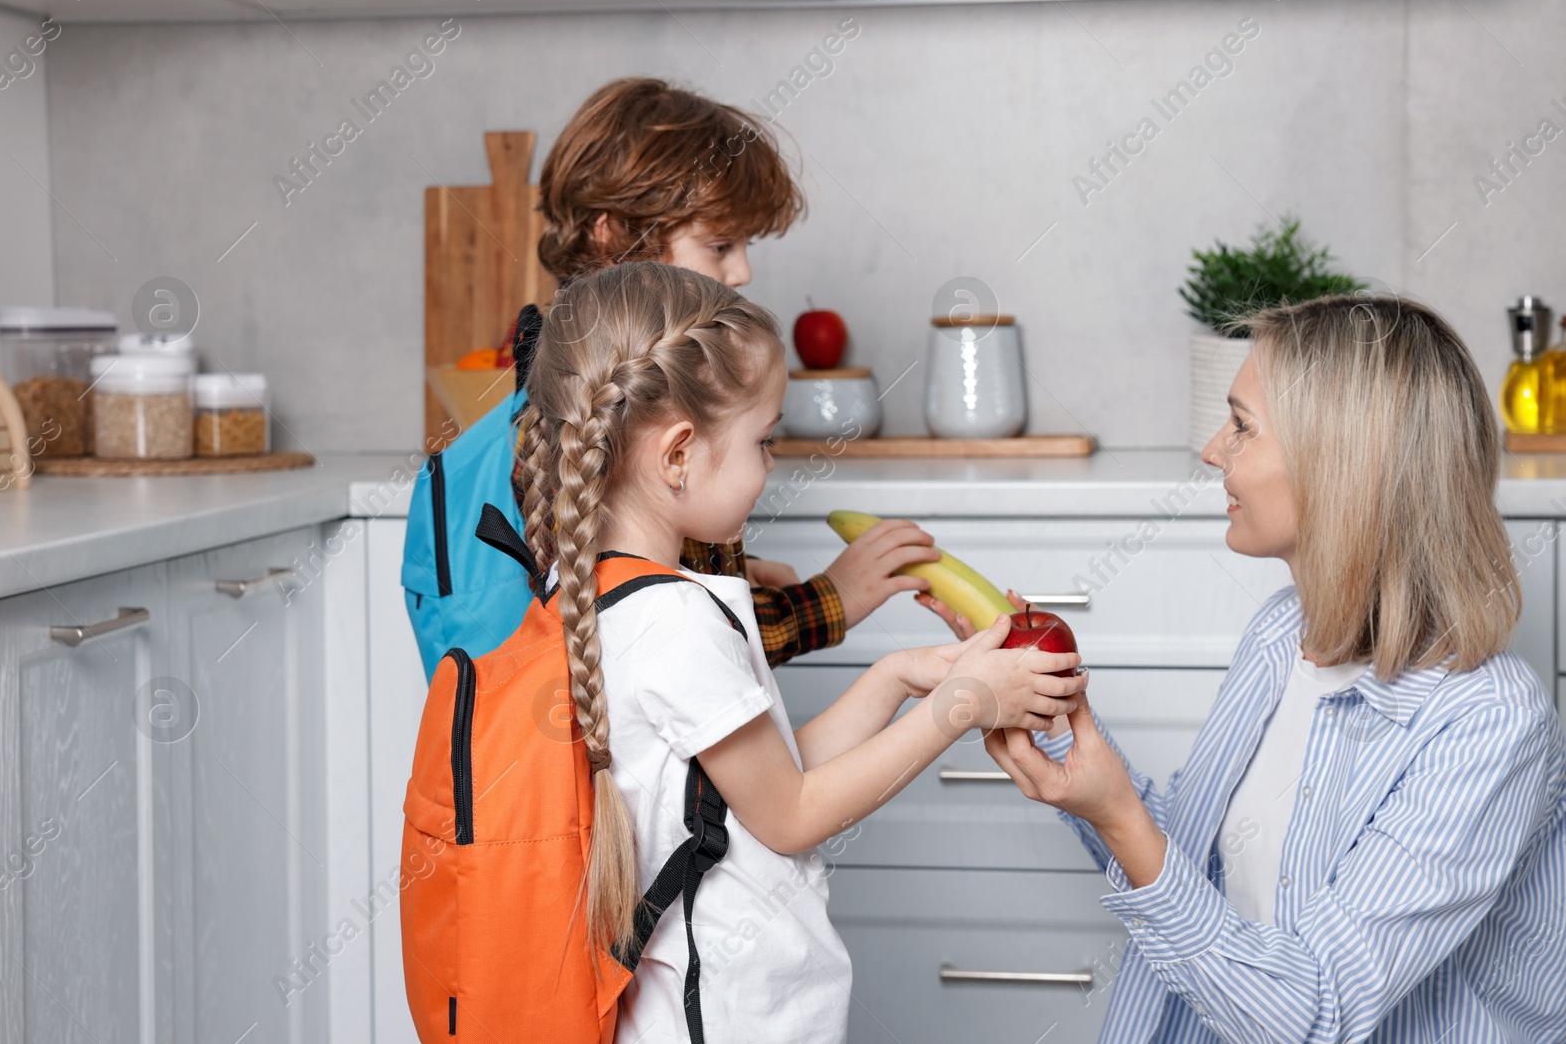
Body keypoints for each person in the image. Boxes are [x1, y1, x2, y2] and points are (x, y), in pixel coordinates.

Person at [519, 261, 1087, 1042]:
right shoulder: (673, 623)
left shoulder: (609, 593)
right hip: (726, 1019)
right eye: (764, 439)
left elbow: (761, 780)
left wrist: (894, 678)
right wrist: (962, 707)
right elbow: (790, 817)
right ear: (678, 453)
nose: (772, 464)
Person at [981, 295, 1566, 1042]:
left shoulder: (1489, 724)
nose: (1213, 451)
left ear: (1342, 462)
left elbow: (1313, 1011)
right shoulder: (1279, 634)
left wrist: (1122, 819)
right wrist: (1056, 720)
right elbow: (1193, 863)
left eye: (1243, 426)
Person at [402, 77, 941, 677]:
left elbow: (631, 578)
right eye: (719, 244)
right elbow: (650, 641)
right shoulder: (607, 417)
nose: (741, 271)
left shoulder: (574, 396)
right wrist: (829, 599)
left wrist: (727, 567)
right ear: (615, 237)